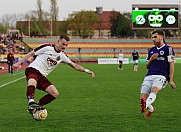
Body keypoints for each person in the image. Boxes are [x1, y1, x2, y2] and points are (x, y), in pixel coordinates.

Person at [13, 35, 95, 120]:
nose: (64, 47)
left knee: (55, 93)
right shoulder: (46, 47)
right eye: (63, 44)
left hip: (42, 76)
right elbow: (32, 53)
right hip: (33, 69)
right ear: (58, 41)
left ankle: (37, 106)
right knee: (32, 82)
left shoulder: (62, 56)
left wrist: (87, 71)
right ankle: (31, 102)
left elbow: (74, 65)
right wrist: (19, 63)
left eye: (66, 45)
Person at [139, 30, 176, 118]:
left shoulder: (169, 49)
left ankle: (146, 105)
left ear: (161, 37)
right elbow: (147, 66)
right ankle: (151, 109)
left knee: (154, 90)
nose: (153, 39)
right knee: (142, 99)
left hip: (161, 76)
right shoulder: (151, 50)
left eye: (155, 37)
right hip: (149, 75)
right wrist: (151, 59)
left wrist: (171, 80)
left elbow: (171, 65)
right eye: (152, 37)